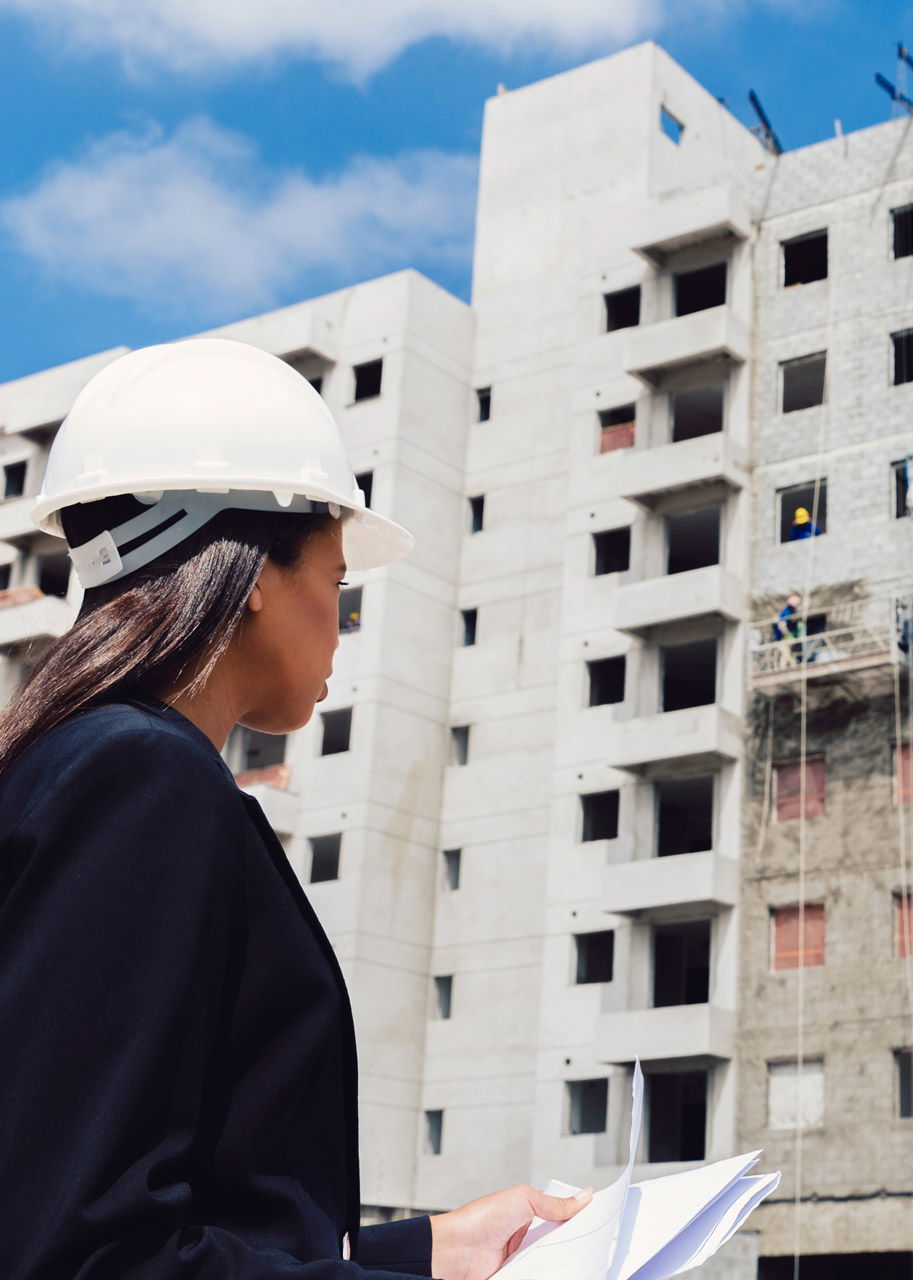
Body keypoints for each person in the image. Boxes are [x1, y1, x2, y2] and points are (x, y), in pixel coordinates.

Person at [0, 340, 590, 1279]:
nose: (342, 624)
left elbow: (164, 1207)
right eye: (339, 583)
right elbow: (84, 1255)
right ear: (258, 574)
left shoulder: (81, 767)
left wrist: (431, 1253)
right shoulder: (140, 783)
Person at [771, 592, 805, 665]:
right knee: (787, 654)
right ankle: (793, 667)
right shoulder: (786, 611)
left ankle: (788, 668)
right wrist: (787, 634)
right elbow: (782, 624)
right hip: (781, 638)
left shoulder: (792, 611)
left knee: (787, 654)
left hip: (785, 637)